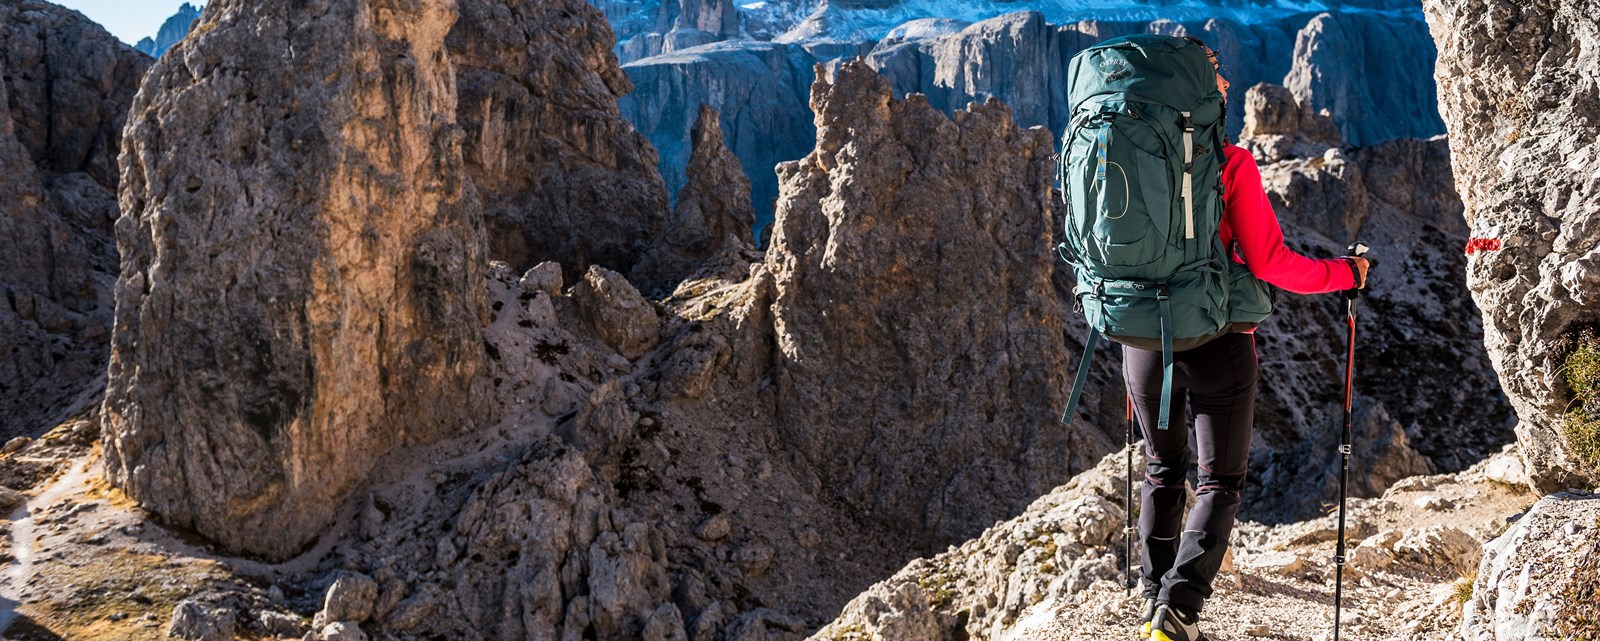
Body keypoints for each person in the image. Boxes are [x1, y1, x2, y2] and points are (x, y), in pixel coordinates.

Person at [1134, 37, 1370, 641]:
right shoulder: (1229, 162)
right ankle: (1177, 612)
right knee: (1218, 482)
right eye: (1214, 73)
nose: (1226, 85)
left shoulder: (1130, 156)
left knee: (1161, 470)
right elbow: (1269, 263)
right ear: (1191, 85)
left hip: (1140, 337)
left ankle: (1153, 601)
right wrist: (1343, 274)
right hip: (1217, 342)